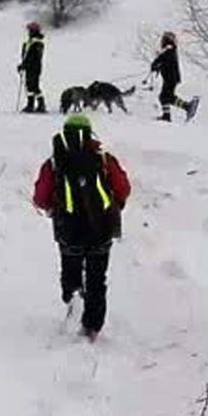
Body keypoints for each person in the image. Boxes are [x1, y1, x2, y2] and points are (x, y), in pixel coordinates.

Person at [32, 113, 131, 341]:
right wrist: (114, 205)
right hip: (101, 229)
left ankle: (74, 303)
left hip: (68, 230)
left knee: (70, 271)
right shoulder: (104, 159)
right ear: (89, 134)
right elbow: (123, 188)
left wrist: (54, 209)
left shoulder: (54, 163)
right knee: (97, 278)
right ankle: (92, 327)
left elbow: (40, 198)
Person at [149, 31, 198, 122]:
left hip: (170, 78)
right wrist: (157, 65)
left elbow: (162, 60)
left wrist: (156, 65)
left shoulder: (169, 50)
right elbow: (162, 61)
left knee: (165, 96)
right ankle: (171, 114)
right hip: (171, 78)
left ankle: (186, 107)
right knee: (166, 97)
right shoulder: (170, 49)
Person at [18, 21, 46, 113]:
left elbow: (33, 57)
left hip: (34, 67)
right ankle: (31, 104)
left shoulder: (37, 43)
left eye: (30, 30)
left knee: (34, 86)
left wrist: (25, 65)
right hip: (29, 67)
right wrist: (23, 64)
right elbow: (26, 55)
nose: (29, 32)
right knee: (29, 86)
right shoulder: (30, 42)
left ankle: (40, 104)